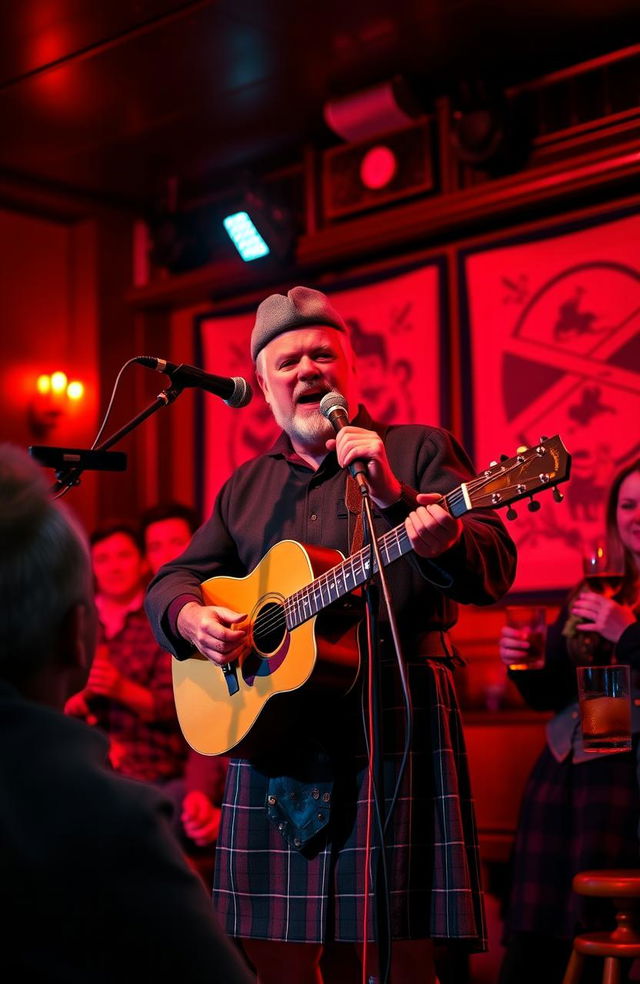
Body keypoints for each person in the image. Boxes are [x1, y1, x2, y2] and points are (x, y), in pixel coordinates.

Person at [145, 285, 517, 984]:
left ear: (353, 369)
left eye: (323, 355)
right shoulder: (246, 487)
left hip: (395, 722)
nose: (307, 370)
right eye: (287, 363)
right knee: (272, 959)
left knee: (403, 952)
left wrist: (409, 513)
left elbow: (495, 567)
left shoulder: (417, 450)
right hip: (278, 736)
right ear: (262, 385)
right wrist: (189, 617)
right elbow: (171, 580)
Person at [0, 443, 254, 983]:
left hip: (160, 775)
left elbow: (194, 717)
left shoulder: (171, 631)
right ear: (77, 635)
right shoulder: (116, 823)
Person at [497, 457, 640, 984]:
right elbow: (550, 693)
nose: (636, 515)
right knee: (543, 929)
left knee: (606, 921)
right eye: (627, 504)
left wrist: (626, 632)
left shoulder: (614, 608)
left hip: (629, 779)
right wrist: (522, 661)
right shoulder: (594, 589)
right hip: (568, 775)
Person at [65, 521, 189, 833]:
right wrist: (76, 701)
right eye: (102, 559)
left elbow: (179, 709)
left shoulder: (164, 620)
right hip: (84, 762)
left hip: (153, 769)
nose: (113, 567)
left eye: (123, 556)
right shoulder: (75, 623)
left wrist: (120, 688)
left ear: (142, 561)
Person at [141, 501, 228, 863]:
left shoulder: (225, 597)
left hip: (206, 764)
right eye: (155, 547)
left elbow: (213, 706)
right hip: (188, 768)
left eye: (176, 541)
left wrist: (199, 791)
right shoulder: (159, 618)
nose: (166, 555)